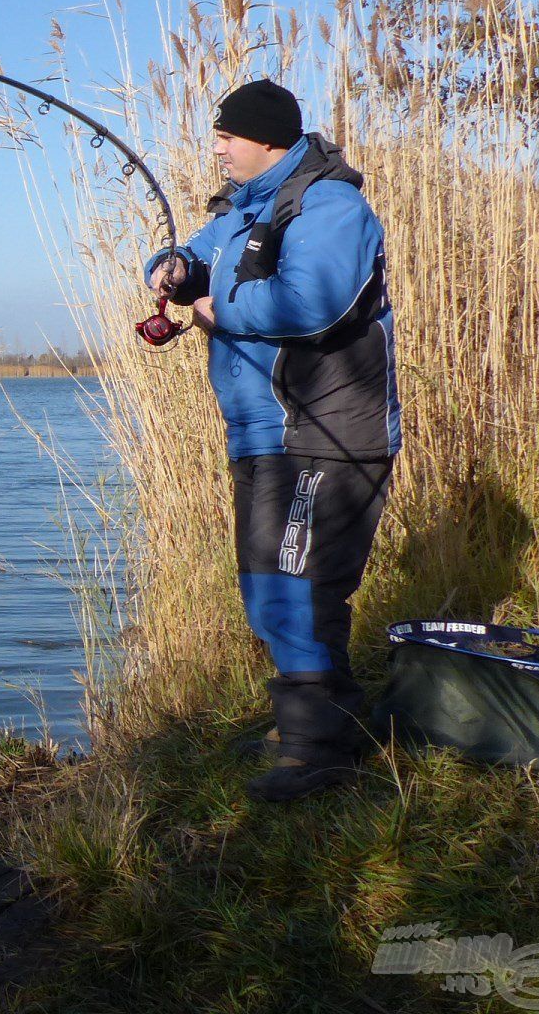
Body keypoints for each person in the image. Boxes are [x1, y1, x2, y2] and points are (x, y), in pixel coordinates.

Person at [145, 78, 401, 802]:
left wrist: (213, 307)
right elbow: (189, 255)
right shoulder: (239, 210)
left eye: (228, 135)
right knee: (266, 588)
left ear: (268, 139)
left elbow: (312, 304)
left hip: (326, 431)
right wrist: (172, 271)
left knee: (303, 587)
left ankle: (316, 754)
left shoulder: (329, 206)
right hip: (260, 432)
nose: (217, 147)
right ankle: (321, 721)